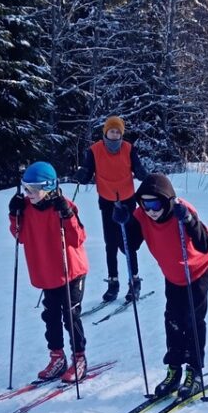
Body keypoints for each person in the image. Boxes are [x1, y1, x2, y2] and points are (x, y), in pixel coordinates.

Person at [113, 173, 208, 399]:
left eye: (155, 203)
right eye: (145, 203)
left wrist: (189, 220)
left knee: (193, 320)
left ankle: (195, 371)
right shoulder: (142, 216)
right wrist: (123, 222)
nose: (151, 209)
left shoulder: (182, 210)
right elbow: (129, 247)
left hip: (197, 270)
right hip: (173, 273)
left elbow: (205, 245)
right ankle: (174, 369)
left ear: (167, 200)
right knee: (173, 320)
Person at [8, 162, 90, 383]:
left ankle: (79, 358)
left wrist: (67, 214)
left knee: (70, 316)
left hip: (70, 271)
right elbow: (20, 236)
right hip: (46, 271)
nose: (28, 193)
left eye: (33, 189)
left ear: (49, 187)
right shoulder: (25, 208)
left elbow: (78, 238)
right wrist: (14, 214)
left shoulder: (64, 206)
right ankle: (57, 357)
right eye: (26, 188)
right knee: (50, 316)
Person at [73, 115, 149, 303]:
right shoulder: (95, 150)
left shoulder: (129, 149)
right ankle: (113, 283)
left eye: (118, 131)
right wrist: (82, 174)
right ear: (105, 131)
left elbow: (138, 168)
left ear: (121, 134)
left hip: (127, 201)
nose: (114, 134)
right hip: (107, 201)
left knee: (128, 243)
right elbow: (88, 170)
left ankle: (134, 281)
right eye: (111, 131)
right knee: (111, 243)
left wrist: (143, 174)